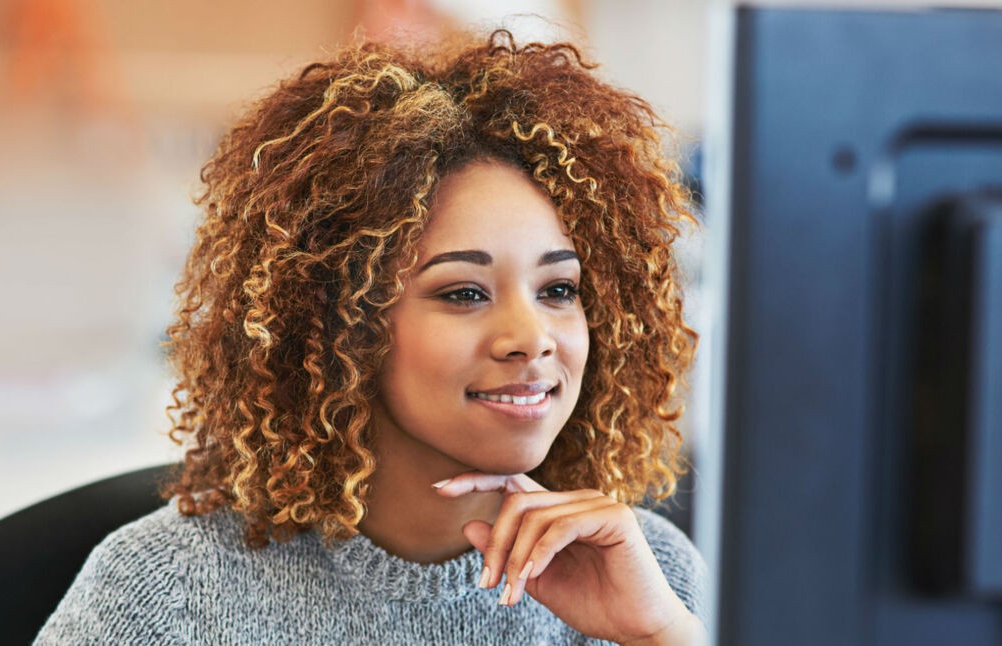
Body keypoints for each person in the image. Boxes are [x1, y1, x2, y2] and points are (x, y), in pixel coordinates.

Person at [36, 29, 706, 646]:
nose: (532, 339)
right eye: (464, 293)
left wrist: (661, 636)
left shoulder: (647, 573)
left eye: (558, 290)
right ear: (339, 326)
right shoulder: (168, 591)